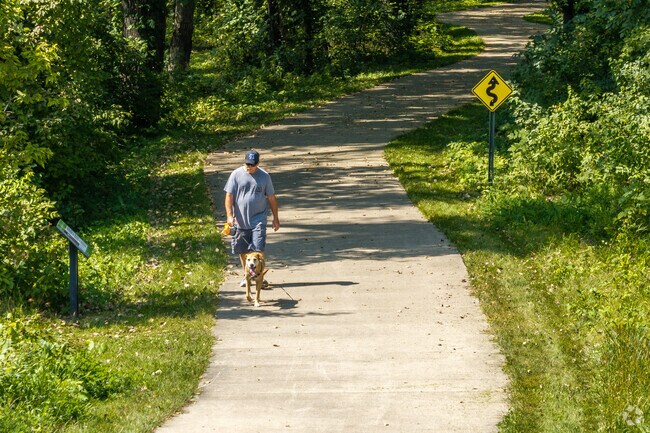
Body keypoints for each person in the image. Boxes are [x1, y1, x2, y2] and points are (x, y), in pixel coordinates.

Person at [224, 149, 280, 287]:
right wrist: (230, 216)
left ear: (258, 163)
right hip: (240, 220)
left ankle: (259, 277)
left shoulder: (264, 177)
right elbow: (229, 196)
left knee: (258, 249)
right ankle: (247, 275)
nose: (249, 167)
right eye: (247, 164)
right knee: (243, 251)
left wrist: (275, 218)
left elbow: (271, 198)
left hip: (258, 219)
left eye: (252, 165)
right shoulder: (236, 174)